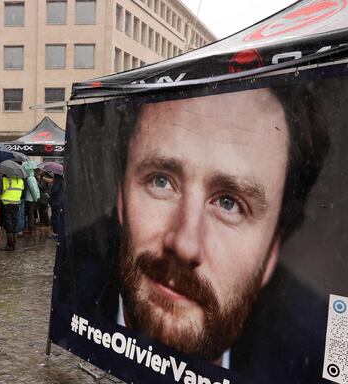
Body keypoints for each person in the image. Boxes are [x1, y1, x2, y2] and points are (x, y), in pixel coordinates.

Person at [108, 86, 327, 366]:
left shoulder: (311, 369)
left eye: (228, 203)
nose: (185, 244)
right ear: (121, 199)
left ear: (272, 251)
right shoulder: (72, 287)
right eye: (160, 181)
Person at [0, 170, 25, 251]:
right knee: (14, 222)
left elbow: (2, 191)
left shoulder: (5, 180)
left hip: (7, 203)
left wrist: (1, 197)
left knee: (8, 224)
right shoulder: (20, 181)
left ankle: (9, 245)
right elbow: (22, 190)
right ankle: (14, 242)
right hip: (16, 203)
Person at [23, 163, 41, 234]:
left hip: (30, 199)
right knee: (31, 214)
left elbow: (32, 189)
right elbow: (36, 188)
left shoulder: (30, 178)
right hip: (32, 198)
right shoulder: (33, 178)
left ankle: (30, 228)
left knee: (30, 214)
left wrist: (35, 198)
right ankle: (31, 227)